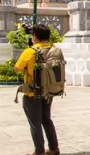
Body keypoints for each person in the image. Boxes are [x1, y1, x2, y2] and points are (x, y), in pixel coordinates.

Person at [14, 24, 60, 155]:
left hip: (32, 92)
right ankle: (54, 148)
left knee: (35, 122)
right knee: (46, 119)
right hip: (48, 90)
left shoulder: (30, 51)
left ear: (34, 36)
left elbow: (16, 69)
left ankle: (39, 151)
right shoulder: (54, 50)